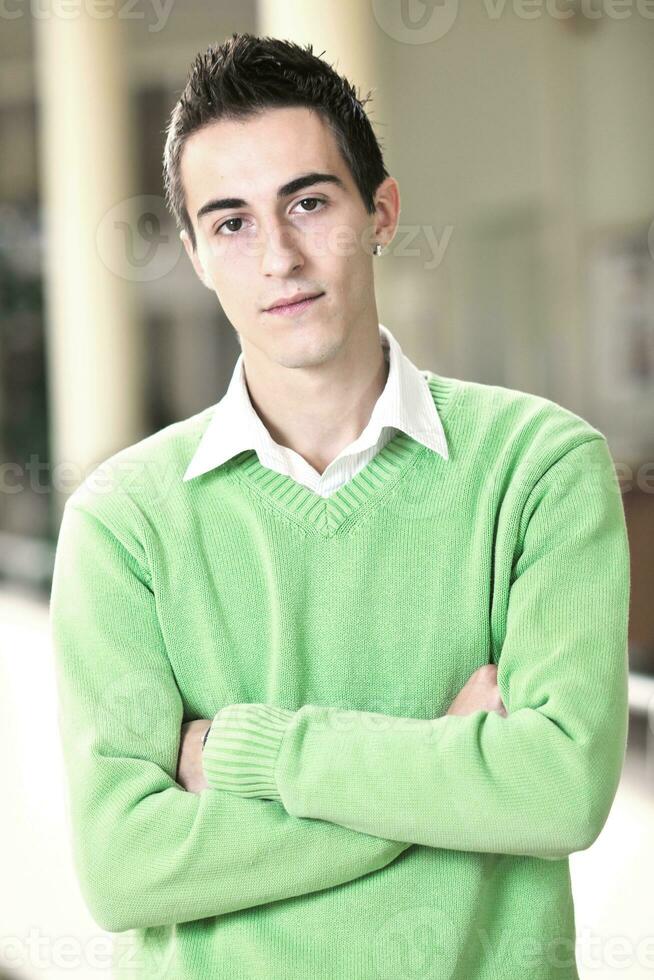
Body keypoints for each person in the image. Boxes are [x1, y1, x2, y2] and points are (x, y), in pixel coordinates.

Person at [49, 32, 630, 980]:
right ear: (195, 253)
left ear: (382, 211)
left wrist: (251, 753)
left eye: (308, 203)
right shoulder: (124, 521)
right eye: (231, 223)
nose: (278, 256)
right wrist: (445, 774)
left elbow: (557, 792)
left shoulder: (541, 468)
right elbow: (126, 869)